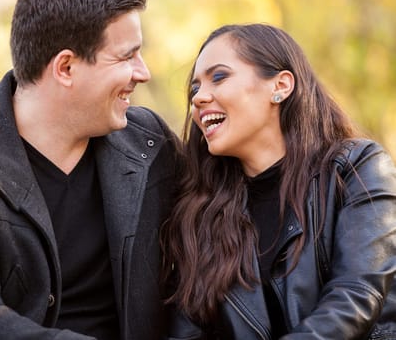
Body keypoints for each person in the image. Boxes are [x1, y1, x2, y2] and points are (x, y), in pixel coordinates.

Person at [0, 0, 181, 339]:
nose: (144, 72)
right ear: (65, 67)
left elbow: (209, 245)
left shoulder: (149, 142)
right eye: (127, 57)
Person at [160, 23, 396, 339]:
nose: (199, 98)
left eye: (219, 77)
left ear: (281, 86)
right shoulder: (201, 213)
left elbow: (355, 296)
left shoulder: (356, 168)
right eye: (194, 88)